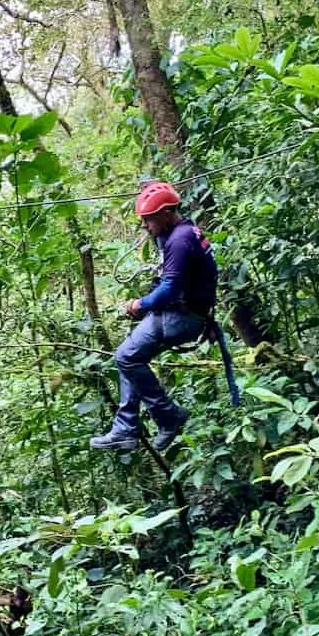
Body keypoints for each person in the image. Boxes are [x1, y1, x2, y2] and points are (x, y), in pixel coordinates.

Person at [90, 180, 219, 452]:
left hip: (183, 316)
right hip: (187, 312)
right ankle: (126, 429)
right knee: (130, 356)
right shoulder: (184, 231)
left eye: (148, 219)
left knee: (126, 356)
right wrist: (149, 188)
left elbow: (170, 289)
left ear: (166, 214)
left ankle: (168, 415)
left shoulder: (180, 241)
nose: (144, 226)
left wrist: (140, 304)